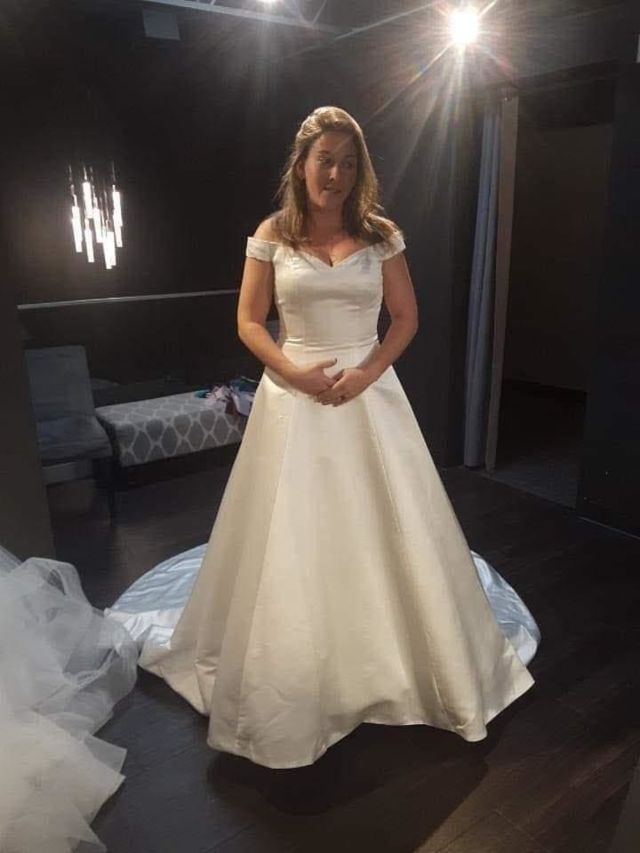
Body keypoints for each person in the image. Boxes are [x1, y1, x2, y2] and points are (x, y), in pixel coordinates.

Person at [108, 106, 540, 770]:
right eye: (324, 160)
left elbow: (406, 317)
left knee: (385, 525)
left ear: (359, 171)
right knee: (292, 532)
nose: (335, 174)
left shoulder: (381, 235)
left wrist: (366, 372)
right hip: (294, 397)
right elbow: (249, 321)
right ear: (302, 164)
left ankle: (389, 662)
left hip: (368, 397)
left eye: (347, 162)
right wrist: (292, 373)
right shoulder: (272, 234)